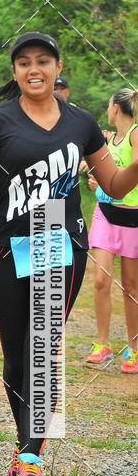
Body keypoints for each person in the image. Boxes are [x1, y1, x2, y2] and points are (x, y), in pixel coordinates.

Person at [0, 31, 138, 476]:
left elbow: (114, 185)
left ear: (59, 67)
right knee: (16, 352)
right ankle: (26, 445)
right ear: (15, 71)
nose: (33, 69)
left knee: (42, 342)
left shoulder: (81, 123)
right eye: (23, 62)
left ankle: (30, 454)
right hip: (6, 240)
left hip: (56, 231)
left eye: (42, 60)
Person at [86, 88, 138, 373]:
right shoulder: (109, 139)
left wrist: (114, 184)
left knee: (131, 287)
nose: (107, 110)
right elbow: (109, 177)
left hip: (132, 219)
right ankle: (103, 344)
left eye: (108, 105)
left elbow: (135, 168)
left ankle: (133, 349)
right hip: (105, 215)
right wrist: (100, 185)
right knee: (100, 281)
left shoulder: (135, 133)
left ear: (116, 107)